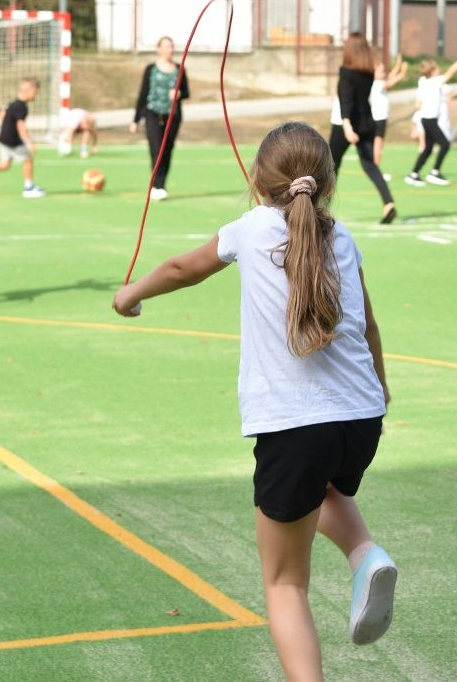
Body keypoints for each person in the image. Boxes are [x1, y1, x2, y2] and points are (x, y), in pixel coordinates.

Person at [113, 121, 398, 682]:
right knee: (323, 486)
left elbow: (180, 269)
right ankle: (365, 552)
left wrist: (130, 294)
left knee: (285, 582)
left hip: (296, 427)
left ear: (256, 180)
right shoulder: (342, 238)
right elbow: (368, 325)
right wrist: (382, 390)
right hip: (362, 420)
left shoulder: (251, 229)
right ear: (328, 182)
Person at [331, 33, 397, 224]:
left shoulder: (346, 72)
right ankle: (388, 203)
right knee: (370, 166)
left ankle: (321, 210)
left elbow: (346, 100)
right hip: (366, 122)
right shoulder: (368, 74)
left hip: (345, 125)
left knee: (330, 166)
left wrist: (346, 125)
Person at [131, 36, 191, 202]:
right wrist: (135, 119)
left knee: (167, 151)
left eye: (171, 46)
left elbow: (186, 92)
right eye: (165, 46)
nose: (168, 50)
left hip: (172, 116)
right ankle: (155, 185)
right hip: (152, 114)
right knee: (156, 149)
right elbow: (143, 94)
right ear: (158, 49)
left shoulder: (180, 69)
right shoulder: (151, 68)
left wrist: (179, 94)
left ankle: (162, 185)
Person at [405, 50, 457, 187]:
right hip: (430, 120)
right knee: (445, 144)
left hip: (426, 119)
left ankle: (413, 174)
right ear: (433, 71)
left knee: (428, 149)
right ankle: (435, 172)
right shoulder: (435, 82)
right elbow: (452, 70)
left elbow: (418, 102)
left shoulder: (422, 81)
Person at [370, 56, 408, 172]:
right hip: (379, 119)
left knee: (377, 144)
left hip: (378, 118)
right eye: (381, 71)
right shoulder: (378, 84)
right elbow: (391, 82)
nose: (384, 73)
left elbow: (390, 76)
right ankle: (376, 170)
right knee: (378, 145)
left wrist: (398, 64)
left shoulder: (377, 82)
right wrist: (403, 72)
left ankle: (374, 167)